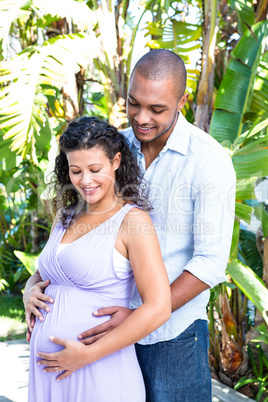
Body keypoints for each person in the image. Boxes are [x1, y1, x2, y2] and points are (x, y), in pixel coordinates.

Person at [24, 49, 236, 402]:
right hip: (102, 337)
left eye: (156, 109)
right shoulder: (113, 146)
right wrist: (34, 287)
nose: (141, 117)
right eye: (134, 104)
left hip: (171, 335)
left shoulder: (208, 162)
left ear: (182, 100)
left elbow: (210, 263)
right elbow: (79, 235)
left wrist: (139, 314)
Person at [25, 116, 171, 402]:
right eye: (75, 171)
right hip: (49, 375)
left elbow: (158, 307)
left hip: (99, 369)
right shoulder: (65, 216)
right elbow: (46, 275)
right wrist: (29, 290)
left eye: (95, 169)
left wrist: (86, 355)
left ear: (116, 161)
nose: (85, 181)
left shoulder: (133, 222)